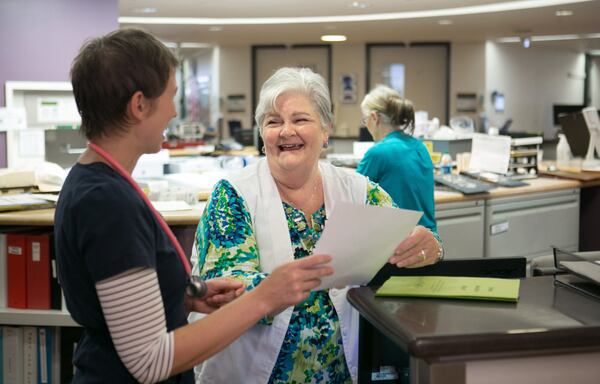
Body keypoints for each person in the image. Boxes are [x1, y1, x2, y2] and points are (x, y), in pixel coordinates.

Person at [54, 29, 333, 384]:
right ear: (139, 105)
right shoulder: (106, 203)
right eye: (171, 96)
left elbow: (117, 305)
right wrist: (264, 297)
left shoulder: (96, 182)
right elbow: (150, 360)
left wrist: (185, 296)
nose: (173, 111)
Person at [191, 67, 443, 383]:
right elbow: (223, 288)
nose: (286, 131)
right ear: (262, 134)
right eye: (273, 121)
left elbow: (407, 240)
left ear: (325, 131)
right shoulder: (233, 194)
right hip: (256, 373)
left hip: (342, 372)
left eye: (300, 120)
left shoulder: (358, 190)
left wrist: (429, 245)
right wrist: (280, 287)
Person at [357, 85, 439, 237]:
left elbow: (351, 199)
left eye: (365, 119)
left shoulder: (378, 153)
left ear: (374, 118)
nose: (366, 125)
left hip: (398, 246)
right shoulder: (420, 147)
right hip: (427, 242)